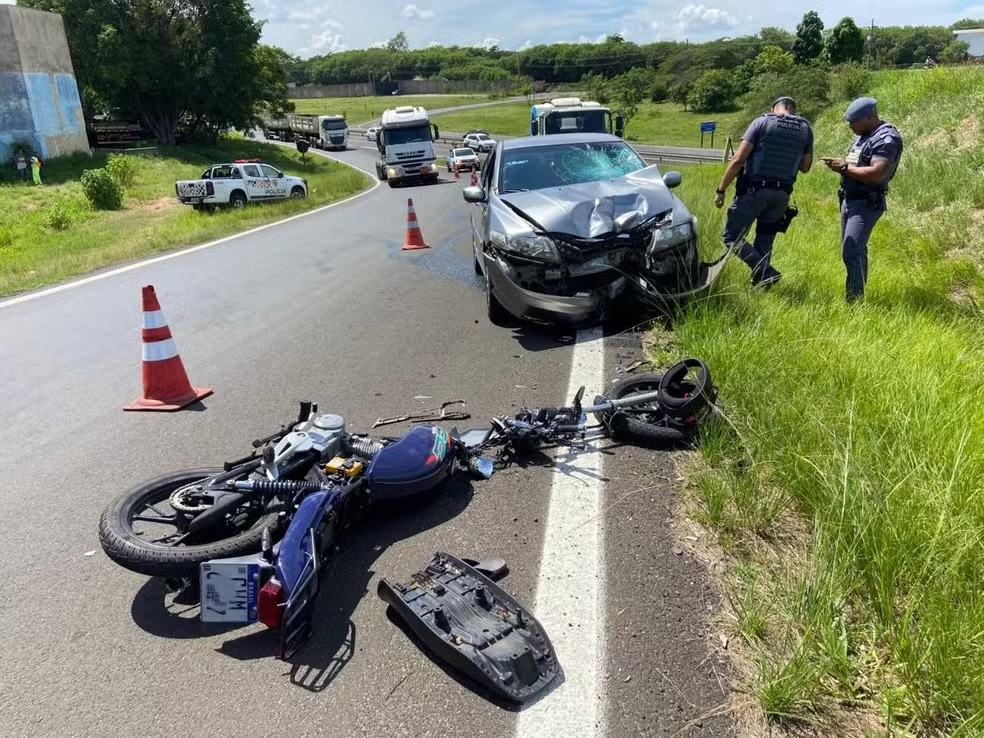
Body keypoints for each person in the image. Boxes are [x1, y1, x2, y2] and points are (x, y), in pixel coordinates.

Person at [714, 96, 814, 288]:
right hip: (782, 195)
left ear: (774, 107)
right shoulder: (805, 129)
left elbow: (738, 160)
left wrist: (721, 190)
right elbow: (805, 167)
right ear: (793, 109)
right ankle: (761, 287)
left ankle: (766, 270)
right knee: (765, 239)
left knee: (731, 237)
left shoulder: (762, 122)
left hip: (755, 191)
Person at [822, 97, 904, 303]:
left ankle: (854, 303)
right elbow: (856, 165)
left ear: (870, 117)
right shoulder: (862, 136)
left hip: (867, 202)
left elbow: (876, 174)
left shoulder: (886, 139)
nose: (850, 126)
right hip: (849, 199)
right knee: (853, 249)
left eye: (854, 122)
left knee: (851, 250)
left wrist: (843, 167)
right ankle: (856, 297)